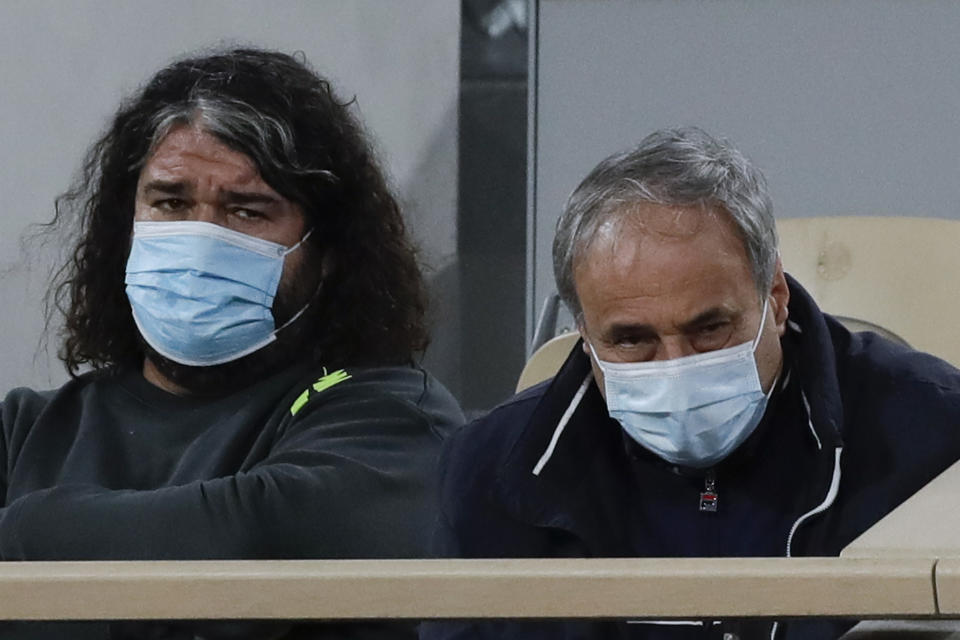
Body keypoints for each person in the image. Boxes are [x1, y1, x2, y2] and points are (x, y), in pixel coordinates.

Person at [423, 127, 960, 640]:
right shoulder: (492, 471)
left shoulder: (936, 438)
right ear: (584, 334)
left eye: (709, 328)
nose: (675, 366)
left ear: (774, 297)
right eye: (632, 339)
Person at [0, 48, 463, 639]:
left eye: (246, 211)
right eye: (170, 202)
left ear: (327, 254)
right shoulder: (28, 429)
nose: (200, 239)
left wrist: (25, 530)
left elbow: (255, 535)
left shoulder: (386, 416)